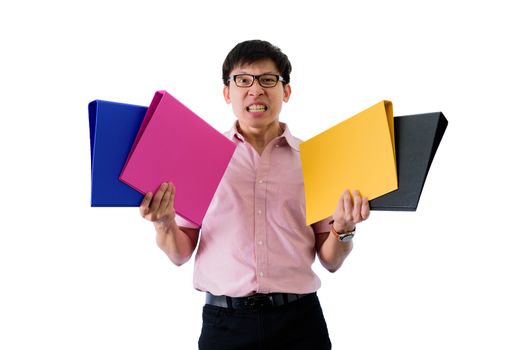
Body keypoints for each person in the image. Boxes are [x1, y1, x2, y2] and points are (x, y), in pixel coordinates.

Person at [139, 40, 370, 350]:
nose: (255, 90)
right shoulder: (201, 156)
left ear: (286, 91)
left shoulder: (315, 158)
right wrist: (165, 222)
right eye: (243, 80)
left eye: (268, 80)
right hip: (225, 326)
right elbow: (180, 253)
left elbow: (330, 260)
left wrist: (344, 228)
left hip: (300, 323)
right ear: (227, 93)